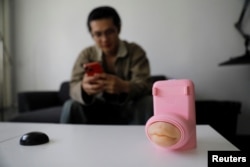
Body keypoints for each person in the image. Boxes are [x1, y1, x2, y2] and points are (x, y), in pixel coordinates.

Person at [60, 6, 152, 124]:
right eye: (98, 34)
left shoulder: (135, 51)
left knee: (148, 101)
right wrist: (83, 88)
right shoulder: (86, 54)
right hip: (95, 108)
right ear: (92, 35)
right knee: (71, 105)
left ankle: (147, 140)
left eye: (109, 32)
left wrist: (124, 86)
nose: (104, 39)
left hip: (129, 107)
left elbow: (145, 84)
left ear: (118, 29)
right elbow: (73, 87)